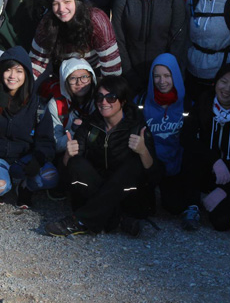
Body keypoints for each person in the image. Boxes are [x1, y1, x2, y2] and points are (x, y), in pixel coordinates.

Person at [44, 76, 157, 237]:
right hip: (97, 189)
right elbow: (66, 174)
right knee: (75, 162)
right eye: (99, 97)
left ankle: (81, 220)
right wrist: (68, 156)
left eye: (111, 97)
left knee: (134, 165)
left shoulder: (137, 126)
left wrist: (143, 151)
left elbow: (154, 175)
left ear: (123, 101)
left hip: (127, 196)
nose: (104, 102)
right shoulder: (90, 124)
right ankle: (116, 218)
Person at [179, 63, 230, 231]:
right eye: (223, 81)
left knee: (221, 222)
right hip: (206, 169)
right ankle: (193, 204)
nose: (227, 89)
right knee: (191, 152)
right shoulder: (204, 102)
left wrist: (225, 190)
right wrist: (215, 160)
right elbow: (186, 138)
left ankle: (213, 197)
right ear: (216, 82)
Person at [0, 47, 57, 208]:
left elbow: (46, 140)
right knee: (0, 187)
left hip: (25, 159)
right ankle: (5, 184)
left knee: (50, 177)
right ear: (0, 72)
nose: (13, 76)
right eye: (8, 70)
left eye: (19, 71)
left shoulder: (37, 104)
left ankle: (25, 187)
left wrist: (38, 159)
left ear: (26, 74)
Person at [112, 0, 187, 92]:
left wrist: (164, 75)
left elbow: (178, 42)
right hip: (130, 76)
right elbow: (118, 39)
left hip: (163, 80)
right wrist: (129, 73)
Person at [30, 0, 122, 78]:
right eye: (56, 3)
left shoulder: (96, 20)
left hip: (95, 72)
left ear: (77, 2)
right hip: (64, 75)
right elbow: (36, 63)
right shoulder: (47, 23)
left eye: (67, 2)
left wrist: (105, 91)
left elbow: (111, 66)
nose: (61, 9)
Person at [137, 53, 186, 218]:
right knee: (144, 210)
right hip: (150, 165)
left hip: (176, 164)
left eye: (167, 75)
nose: (162, 81)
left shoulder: (186, 102)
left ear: (175, 76)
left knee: (175, 208)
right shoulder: (142, 101)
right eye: (156, 76)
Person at [47, 58, 98, 154]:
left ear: (91, 78)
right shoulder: (55, 105)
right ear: (65, 81)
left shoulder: (100, 100)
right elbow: (56, 144)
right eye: (73, 78)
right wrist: (74, 130)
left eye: (84, 77)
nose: (79, 83)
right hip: (69, 155)